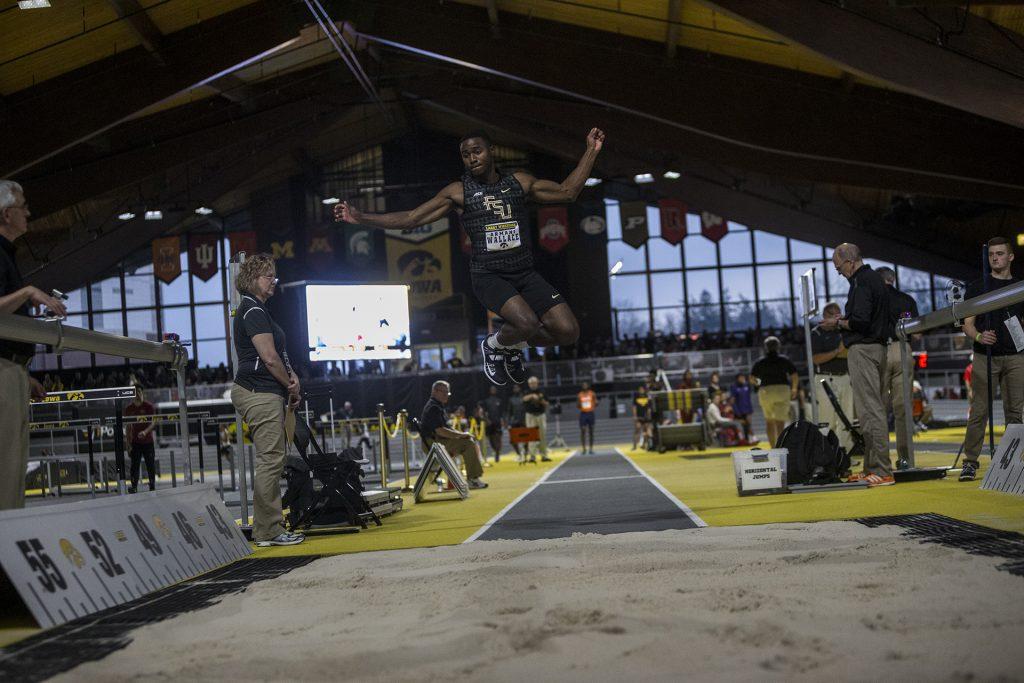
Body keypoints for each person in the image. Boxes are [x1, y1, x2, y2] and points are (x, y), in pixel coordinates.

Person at [335, 128, 606, 386]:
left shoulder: (519, 183)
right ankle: (493, 345)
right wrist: (361, 218)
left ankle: (510, 345)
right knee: (526, 322)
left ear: (491, 151)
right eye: (466, 155)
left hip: (524, 273)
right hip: (489, 276)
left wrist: (591, 151)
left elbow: (568, 192)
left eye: (477, 151)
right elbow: (411, 218)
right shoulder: (458, 192)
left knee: (568, 331)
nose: (472, 158)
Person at [0, 180, 67, 510]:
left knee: (12, 468)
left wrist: (21, 374)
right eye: (23, 206)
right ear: (6, 213)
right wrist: (27, 293)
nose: (28, 212)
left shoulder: (8, 255)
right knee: (6, 467)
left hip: (10, 368)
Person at [230, 253, 304, 547]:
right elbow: (270, 358)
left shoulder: (256, 310)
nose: (273, 281)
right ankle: (269, 531)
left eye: (274, 275)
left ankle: (268, 529)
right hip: (258, 392)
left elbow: (277, 358)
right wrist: (291, 386)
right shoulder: (253, 311)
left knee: (271, 461)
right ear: (251, 279)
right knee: (271, 461)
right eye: (267, 276)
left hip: (264, 391)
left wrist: (291, 379)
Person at [823, 242, 893, 487]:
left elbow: (861, 322)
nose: (839, 272)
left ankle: (883, 470)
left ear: (850, 261)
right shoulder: (873, 280)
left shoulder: (862, 283)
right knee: (869, 411)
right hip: (876, 348)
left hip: (864, 349)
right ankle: (872, 468)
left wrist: (839, 323)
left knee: (871, 412)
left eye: (838, 266)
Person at [959, 236, 1024, 481]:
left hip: (1016, 357)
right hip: (985, 357)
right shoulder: (978, 287)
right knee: (979, 411)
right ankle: (970, 462)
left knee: (1015, 413)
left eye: (999, 254)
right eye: (991, 254)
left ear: (1010, 257)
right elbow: (967, 325)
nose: (995, 258)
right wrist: (978, 337)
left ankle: (1011, 463)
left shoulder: (1019, 287)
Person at [877, 267, 920, 470]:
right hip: (903, 349)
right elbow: (917, 332)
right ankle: (906, 458)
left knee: (879, 409)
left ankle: (881, 459)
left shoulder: (873, 298)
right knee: (903, 408)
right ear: (892, 279)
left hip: (880, 350)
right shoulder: (907, 299)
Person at [419, 380, 488, 488]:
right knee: (468, 444)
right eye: (444, 392)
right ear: (435, 391)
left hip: (436, 442)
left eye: (448, 393)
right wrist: (461, 435)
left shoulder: (436, 405)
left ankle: (473, 478)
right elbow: (440, 430)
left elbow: (446, 428)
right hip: (434, 444)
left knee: (468, 441)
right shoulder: (434, 407)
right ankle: (473, 479)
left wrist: (461, 434)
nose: (447, 395)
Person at [811, 301, 854, 453]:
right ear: (824, 316)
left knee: (847, 417)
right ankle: (827, 453)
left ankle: (845, 453)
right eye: (832, 315)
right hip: (824, 378)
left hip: (845, 376)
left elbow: (850, 352)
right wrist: (837, 352)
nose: (835, 319)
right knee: (827, 417)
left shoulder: (843, 331)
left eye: (838, 315)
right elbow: (816, 359)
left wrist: (835, 354)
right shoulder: (816, 333)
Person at [750, 336, 799, 448]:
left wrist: (759, 383)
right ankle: (781, 446)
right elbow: (794, 375)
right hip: (782, 389)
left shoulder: (760, 361)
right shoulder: (784, 359)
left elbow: (752, 378)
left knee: (769, 421)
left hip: (766, 390)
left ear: (765, 348)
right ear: (778, 347)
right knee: (780, 421)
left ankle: (773, 447)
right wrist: (794, 388)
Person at [124, 385, 157, 493]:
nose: (137, 394)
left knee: (150, 464)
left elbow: (153, 422)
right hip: (135, 443)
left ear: (142, 392)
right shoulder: (129, 409)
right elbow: (128, 427)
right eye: (135, 392)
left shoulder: (149, 406)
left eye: (139, 391)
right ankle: (134, 486)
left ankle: (152, 485)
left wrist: (145, 432)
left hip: (148, 442)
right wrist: (128, 444)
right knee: (134, 466)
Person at [523, 376, 551, 462]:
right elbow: (523, 399)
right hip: (530, 416)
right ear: (529, 384)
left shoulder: (542, 391)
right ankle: (532, 456)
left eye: (534, 383)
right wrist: (532, 396)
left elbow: (547, 403)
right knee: (531, 436)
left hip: (541, 415)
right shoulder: (526, 391)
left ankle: (544, 455)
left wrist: (540, 399)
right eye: (531, 383)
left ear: (537, 383)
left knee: (542, 435)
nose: (533, 385)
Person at [729, 373, 755, 444]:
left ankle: (749, 439)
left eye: (743, 377)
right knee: (744, 425)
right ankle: (746, 439)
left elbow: (748, 398)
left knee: (748, 424)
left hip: (747, 409)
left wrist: (750, 410)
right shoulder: (734, 387)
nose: (742, 378)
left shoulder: (747, 385)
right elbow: (732, 400)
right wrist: (736, 411)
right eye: (741, 377)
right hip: (739, 410)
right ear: (737, 379)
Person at [482, 386, 505, 462]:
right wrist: (487, 420)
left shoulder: (500, 401)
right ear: (489, 391)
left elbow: (502, 412)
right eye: (492, 389)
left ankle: (497, 453)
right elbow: (484, 412)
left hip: (497, 422)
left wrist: (503, 421)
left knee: (498, 438)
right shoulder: (486, 401)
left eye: (494, 389)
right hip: (490, 423)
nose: (493, 391)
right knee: (491, 440)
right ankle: (495, 450)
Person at [577, 380, 598, 454]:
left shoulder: (592, 394)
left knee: (591, 431)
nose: (584, 386)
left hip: (590, 413)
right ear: (582, 387)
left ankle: (591, 449)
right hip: (583, 413)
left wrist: (594, 404)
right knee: (583, 430)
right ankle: (584, 449)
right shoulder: (580, 395)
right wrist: (581, 406)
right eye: (583, 385)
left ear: (588, 386)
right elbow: (578, 405)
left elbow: (596, 402)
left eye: (586, 385)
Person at [506, 383, 527, 459]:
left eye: (517, 388)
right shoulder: (511, 399)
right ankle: (519, 454)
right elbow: (509, 412)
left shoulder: (524, 398)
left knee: (526, 438)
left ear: (519, 388)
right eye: (514, 388)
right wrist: (508, 422)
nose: (516, 389)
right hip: (514, 421)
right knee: (513, 439)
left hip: (524, 421)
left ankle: (525, 454)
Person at [632, 385, 654, 450]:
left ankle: (645, 444)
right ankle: (634, 446)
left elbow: (649, 408)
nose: (641, 390)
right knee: (637, 430)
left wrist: (648, 416)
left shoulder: (647, 397)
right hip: (639, 416)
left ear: (644, 390)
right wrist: (635, 416)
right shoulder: (636, 397)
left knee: (646, 430)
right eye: (640, 389)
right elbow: (634, 407)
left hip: (646, 417)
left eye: (642, 389)